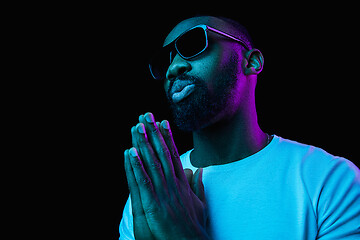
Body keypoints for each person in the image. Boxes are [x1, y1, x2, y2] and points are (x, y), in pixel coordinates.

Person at [120, 16, 360, 239]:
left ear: (251, 62)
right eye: (165, 61)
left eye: (193, 45)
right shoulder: (149, 195)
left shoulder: (329, 179)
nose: (173, 68)